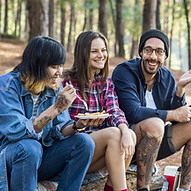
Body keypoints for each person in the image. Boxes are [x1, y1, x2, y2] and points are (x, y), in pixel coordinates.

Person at [0, 36, 95, 191]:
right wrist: (56, 108)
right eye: (54, 66)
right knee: (30, 147)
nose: (59, 72)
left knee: (84, 142)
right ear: (37, 65)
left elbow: (61, 127)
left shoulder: (52, 86)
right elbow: (18, 132)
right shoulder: (6, 86)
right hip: (10, 159)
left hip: (40, 157)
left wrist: (78, 125)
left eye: (61, 66)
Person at [112, 28, 191, 191]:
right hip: (126, 143)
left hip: (155, 143)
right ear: (141, 52)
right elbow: (133, 112)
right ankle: (144, 188)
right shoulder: (124, 72)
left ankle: (184, 187)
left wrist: (180, 89)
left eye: (159, 51)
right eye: (148, 50)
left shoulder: (167, 77)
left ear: (165, 55)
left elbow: (179, 117)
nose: (153, 56)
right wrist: (173, 114)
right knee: (155, 124)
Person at [62, 30, 136, 191]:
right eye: (94, 51)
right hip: (72, 149)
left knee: (129, 134)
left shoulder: (105, 83)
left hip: (94, 153)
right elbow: (60, 125)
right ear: (82, 54)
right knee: (114, 134)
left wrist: (125, 129)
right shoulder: (66, 82)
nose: (101, 55)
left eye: (103, 50)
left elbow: (114, 110)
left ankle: (112, 188)